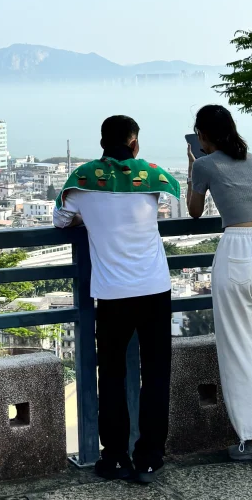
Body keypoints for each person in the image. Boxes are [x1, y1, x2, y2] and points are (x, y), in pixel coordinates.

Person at [55, 114, 179, 481]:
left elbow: (61, 221)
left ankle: (114, 457)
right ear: (134, 142)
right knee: (155, 374)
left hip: (111, 293)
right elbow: (174, 203)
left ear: (101, 142)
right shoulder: (153, 177)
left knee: (111, 375)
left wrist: (86, 220)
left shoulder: (82, 180)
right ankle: (150, 457)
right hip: (155, 287)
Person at [187, 103, 252, 465]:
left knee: (239, 350)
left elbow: (195, 210)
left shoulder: (203, 164)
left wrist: (192, 169)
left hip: (238, 251)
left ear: (201, 135)